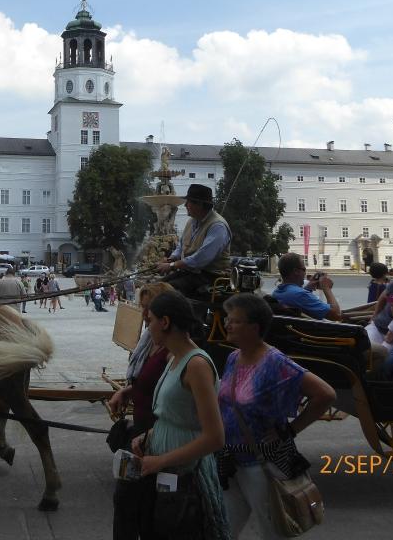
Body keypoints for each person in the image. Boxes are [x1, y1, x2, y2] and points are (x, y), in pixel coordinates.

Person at [217, 293, 336, 540]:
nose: (227, 324)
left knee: (272, 530)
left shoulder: (275, 362)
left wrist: (291, 430)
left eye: (235, 320)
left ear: (254, 327)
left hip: (261, 463)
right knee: (223, 528)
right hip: (231, 460)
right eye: (228, 318)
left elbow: (325, 394)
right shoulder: (233, 358)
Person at [130, 290, 230, 540]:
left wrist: (160, 461)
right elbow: (179, 415)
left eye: (150, 319)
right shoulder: (175, 357)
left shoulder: (195, 365)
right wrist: (150, 435)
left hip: (188, 476)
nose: (147, 325)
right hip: (169, 472)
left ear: (165, 322)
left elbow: (215, 437)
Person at [109, 283, 172, 540]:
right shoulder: (150, 341)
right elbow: (143, 380)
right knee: (125, 505)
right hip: (140, 435)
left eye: (148, 310)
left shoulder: (173, 353)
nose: (143, 315)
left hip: (155, 440)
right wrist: (126, 391)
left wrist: (153, 436)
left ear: (164, 318)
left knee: (145, 512)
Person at [156, 184, 232, 298]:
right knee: (157, 287)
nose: (186, 205)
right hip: (191, 273)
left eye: (189, 202)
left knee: (166, 292)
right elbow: (181, 247)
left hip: (210, 276)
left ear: (200, 205)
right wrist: (170, 259)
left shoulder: (217, 226)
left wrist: (171, 265)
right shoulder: (191, 222)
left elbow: (200, 259)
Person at [270, 253, 341, 320]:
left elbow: (298, 300)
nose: (305, 273)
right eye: (304, 269)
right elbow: (336, 314)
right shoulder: (300, 294)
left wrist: (307, 289)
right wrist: (326, 288)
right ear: (296, 271)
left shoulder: (277, 292)